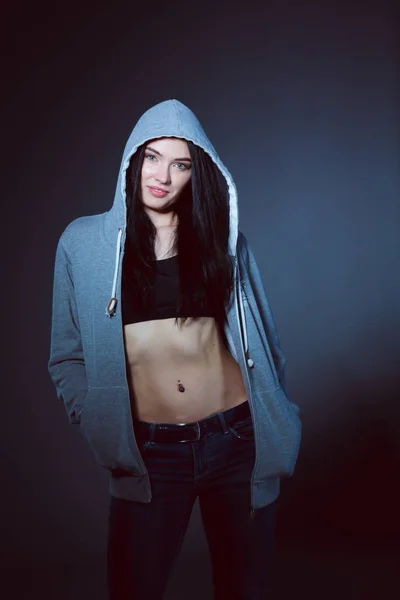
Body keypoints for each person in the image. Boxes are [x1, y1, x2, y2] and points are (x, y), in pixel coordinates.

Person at [48, 99, 302, 600]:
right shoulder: (82, 243)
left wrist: (277, 413)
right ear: (131, 159)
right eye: (152, 157)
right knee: (134, 588)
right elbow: (66, 354)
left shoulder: (224, 242)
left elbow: (267, 345)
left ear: (198, 172)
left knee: (244, 589)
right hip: (151, 454)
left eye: (180, 163)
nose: (162, 175)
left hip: (236, 441)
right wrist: (98, 415)